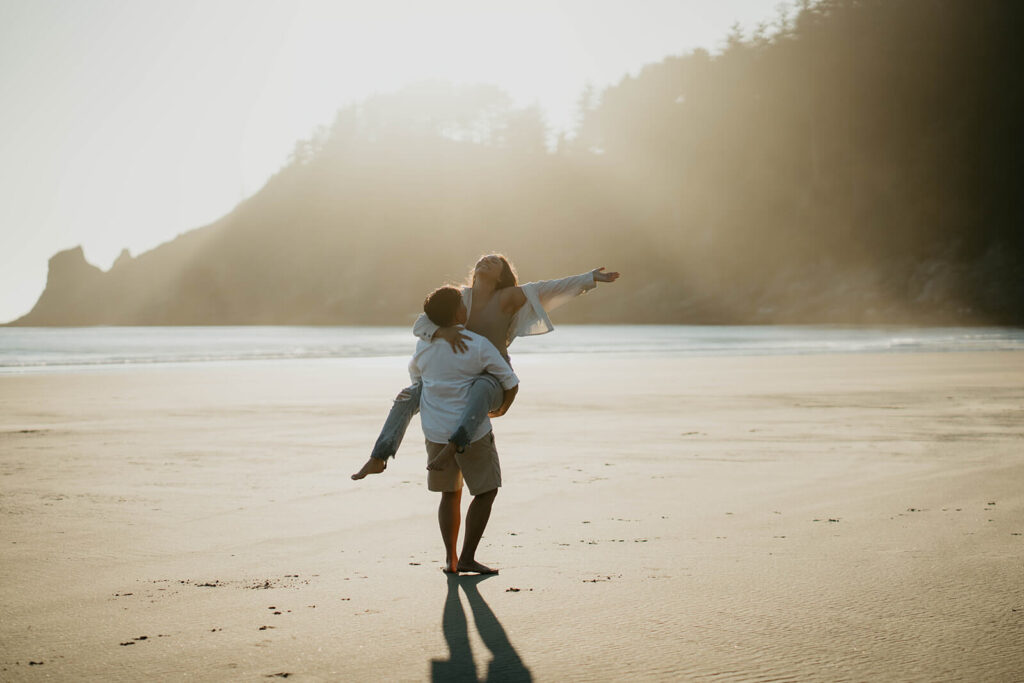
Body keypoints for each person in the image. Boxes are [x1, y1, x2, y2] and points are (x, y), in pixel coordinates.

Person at [351, 254, 619, 480]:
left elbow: (549, 287)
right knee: (408, 395)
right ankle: (379, 456)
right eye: (483, 259)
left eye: (494, 261)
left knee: (479, 388)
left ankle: (455, 446)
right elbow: (421, 324)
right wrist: (444, 334)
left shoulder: (509, 297)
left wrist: (589, 278)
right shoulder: (460, 297)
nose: (486, 261)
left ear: (502, 275)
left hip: (491, 378)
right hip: (458, 375)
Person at [411, 285, 520, 574]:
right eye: (462, 302)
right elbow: (510, 380)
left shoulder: (424, 343)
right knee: (485, 491)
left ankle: (451, 559)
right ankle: (469, 556)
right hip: (471, 430)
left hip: (434, 428)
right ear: (458, 311)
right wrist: (501, 408)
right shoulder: (477, 344)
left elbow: (415, 376)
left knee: (450, 493)